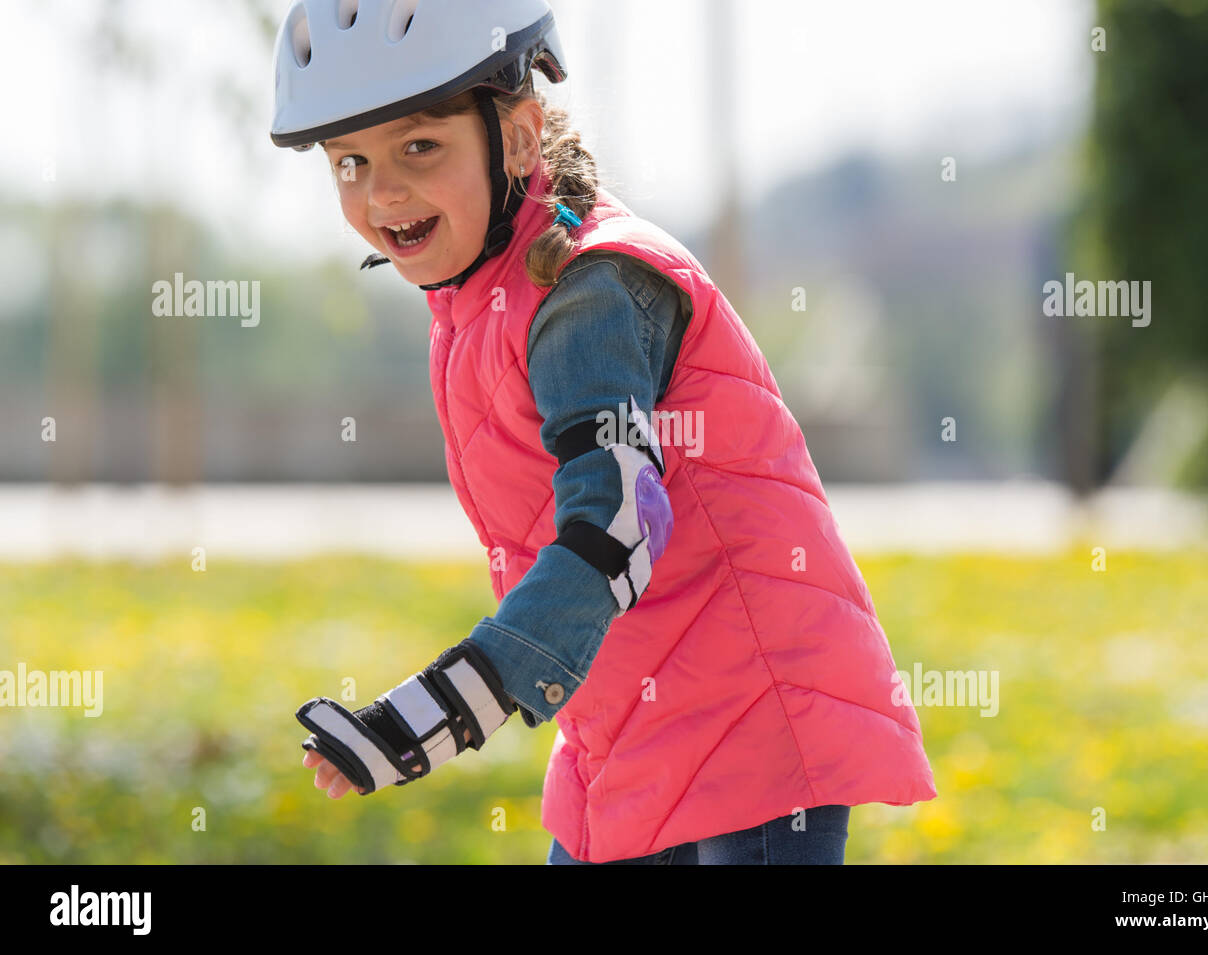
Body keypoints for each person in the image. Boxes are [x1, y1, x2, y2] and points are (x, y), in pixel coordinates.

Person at [272, 0, 937, 864]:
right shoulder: (478, 300)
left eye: (419, 147)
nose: (381, 191)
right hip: (628, 724)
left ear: (516, 138)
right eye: (349, 161)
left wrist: (439, 710)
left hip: (755, 725)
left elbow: (617, 524)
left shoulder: (590, 288)